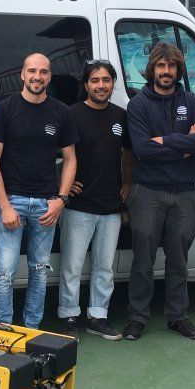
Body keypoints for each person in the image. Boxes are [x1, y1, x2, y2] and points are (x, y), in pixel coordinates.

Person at [122, 42, 195, 342]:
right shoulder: (138, 105)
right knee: (142, 261)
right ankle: (137, 317)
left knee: (178, 260)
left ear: (178, 69)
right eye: (161, 66)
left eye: (171, 66)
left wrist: (164, 141)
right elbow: (142, 149)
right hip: (147, 193)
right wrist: (182, 144)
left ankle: (178, 316)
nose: (166, 71)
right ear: (152, 69)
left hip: (184, 193)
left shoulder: (194, 102)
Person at [0, 52, 77, 329]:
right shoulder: (4, 109)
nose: (38, 77)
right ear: (23, 75)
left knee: (39, 271)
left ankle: (31, 330)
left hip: (46, 204)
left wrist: (60, 200)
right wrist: (4, 206)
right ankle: (2, 329)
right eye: (32, 71)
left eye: (44, 72)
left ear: (49, 76)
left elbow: (71, 158)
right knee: (5, 272)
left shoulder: (61, 112)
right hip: (12, 201)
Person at [57, 59, 132, 340]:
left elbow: (128, 152)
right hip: (79, 205)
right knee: (72, 265)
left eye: (106, 80)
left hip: (111, 205)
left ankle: (98, 316)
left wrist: (126, 181)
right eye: (95, 80)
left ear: (113, 83)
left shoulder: (120, 116)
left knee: (105, 266)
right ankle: (68, 315)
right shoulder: (71, 114)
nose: (101, 85)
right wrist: (62, 182)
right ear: (86, 85)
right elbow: (58, 153)